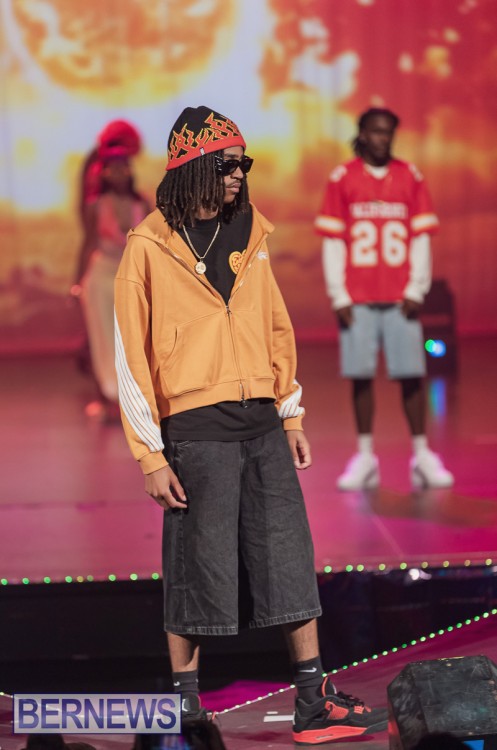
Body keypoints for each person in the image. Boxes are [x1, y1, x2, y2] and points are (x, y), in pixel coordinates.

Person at [114, 105, 387, 745]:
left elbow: (273, 323)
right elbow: (130, 356)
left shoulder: (250, 230)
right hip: (194, 431)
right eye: (227, 164)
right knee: (196, 570)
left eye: (243, 164)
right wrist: (150, 455)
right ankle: (186, 710)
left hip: (261, 423)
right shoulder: (148, 245)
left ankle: (312, 703)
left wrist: (289, 410)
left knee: (289, 559)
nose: (239, 174)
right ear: (194, 167)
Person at [315, 107, 454, 491]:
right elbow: (333, 242)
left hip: (399, 296)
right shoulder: (342, 178)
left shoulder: (410, 176)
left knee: (411, 374)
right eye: (376, 131)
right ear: (362, 133)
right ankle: (365, 456)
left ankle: (422, 455)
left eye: (389, 132)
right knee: (360, 376)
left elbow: (421, 237)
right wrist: (339, 294)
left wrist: (416, 288)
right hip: (357, 296)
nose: (383, 139)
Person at [74, 122, 150, 418]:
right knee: (103, 338)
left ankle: (137, 397)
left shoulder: (142, 203)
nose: (119, 172)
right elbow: (89, 242)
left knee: (135, 337)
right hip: (102, 277)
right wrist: (76, 282)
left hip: (131, 275)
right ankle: (108, 398)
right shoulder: (96, 203)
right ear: (104, 171)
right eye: (113, 167)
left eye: (124, 166)